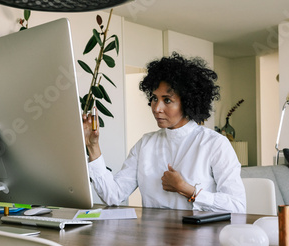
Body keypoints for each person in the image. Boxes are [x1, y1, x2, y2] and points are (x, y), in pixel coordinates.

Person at [83, 52, 246, 214]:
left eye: (167, 100)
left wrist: (187, 189)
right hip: (152, 237)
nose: (156, 108)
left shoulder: (215, 144)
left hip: (198, 237)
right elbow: (112, 195)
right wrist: (93, 146)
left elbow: (237, 206)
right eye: (154, 98)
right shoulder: (145, 144)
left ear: (188, 103)